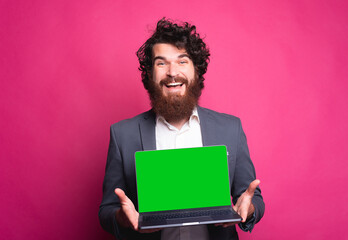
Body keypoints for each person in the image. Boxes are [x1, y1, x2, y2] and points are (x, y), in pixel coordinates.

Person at [99, 18, 265, 240]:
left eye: (182, 61)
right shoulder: (123, 134)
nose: (172, 72)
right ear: (149, 73)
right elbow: (106, 212)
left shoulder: (230, 128)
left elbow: (254, 200)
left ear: (196, 71)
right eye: (161, 63)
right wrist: (122, 217)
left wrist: (249, 208)